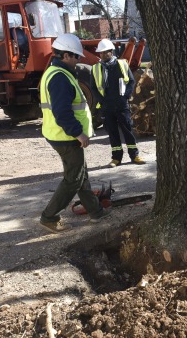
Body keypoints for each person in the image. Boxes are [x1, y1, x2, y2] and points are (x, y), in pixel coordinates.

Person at [39, 33, 110, 233]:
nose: (79, 60)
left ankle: (95, 211)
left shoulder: (58, 73)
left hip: (61, 135)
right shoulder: (59, 77)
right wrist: (79, 133)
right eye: (76, 56)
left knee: (80, 175)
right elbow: (62, 113)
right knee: (73, 179)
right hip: (65, 136)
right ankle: (49, 217)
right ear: (65, 56)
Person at [91, 39, 145, 168]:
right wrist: (102, 102)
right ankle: (116, 158)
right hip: (107, 107)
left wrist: (125, 97)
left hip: (121, 105)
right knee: (113, 133)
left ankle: (134, 155)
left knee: (127, 131)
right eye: (101, 53)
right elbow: (93, 88)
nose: (103, 55)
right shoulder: (96, 68)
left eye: (105, 52)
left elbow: (131, 82)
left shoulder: (122, 65)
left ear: (111, 52)